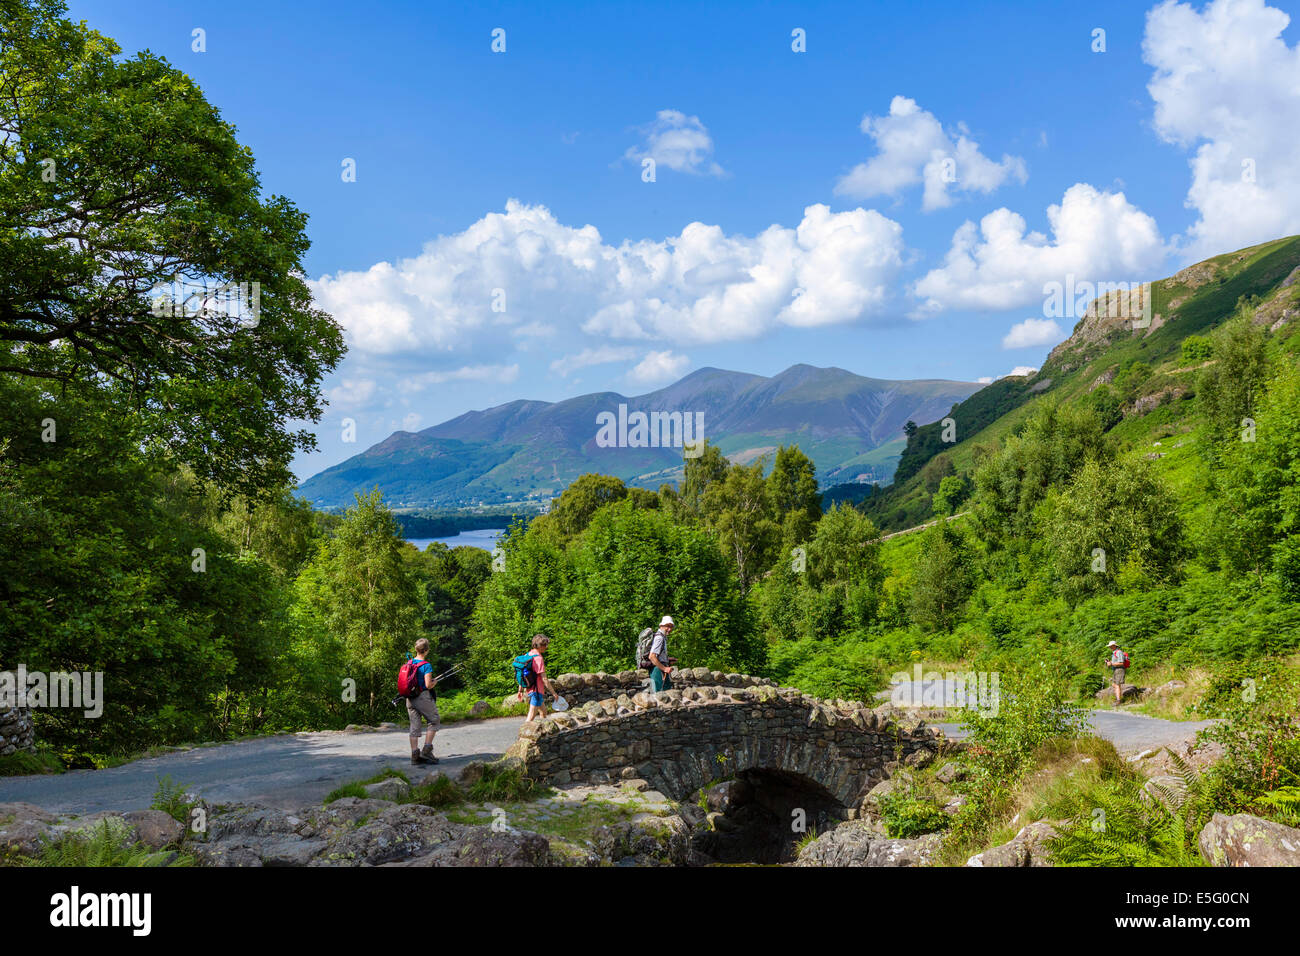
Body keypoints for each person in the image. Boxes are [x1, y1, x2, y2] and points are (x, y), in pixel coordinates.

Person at [407, 638, 440, 765]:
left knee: (414, 726)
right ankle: (427, 750)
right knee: (434, 720)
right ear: (426, 650)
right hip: (422, 697)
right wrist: (434, 682)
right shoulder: (426, 665)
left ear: (416, 649)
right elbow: (427, 684)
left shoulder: (410, 663)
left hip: (410, 698)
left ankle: (415, 756)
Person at [518, 633, 559, 722]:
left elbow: (521, 674)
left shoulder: (527, 655)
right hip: (536, 691)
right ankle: (524, 734)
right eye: (545, 645)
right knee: (530, 717)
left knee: (543, 712)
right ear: (540, 645)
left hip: (530, 689)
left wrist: (520, 690)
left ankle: (543, 732)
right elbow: (544, 679)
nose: (546, 647)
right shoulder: (539, 658)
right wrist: (554, 693)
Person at [648, 615, 677, 692]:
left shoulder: (661, 637)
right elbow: (652, 656)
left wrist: (668, 660)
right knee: (660, 697)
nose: (669, 629)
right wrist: (664, 668)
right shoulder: (659, 638)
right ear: (661, 625)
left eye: (671, 627)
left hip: (659, 670)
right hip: (658, 671)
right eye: (667, 626)